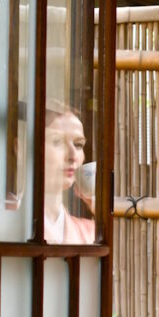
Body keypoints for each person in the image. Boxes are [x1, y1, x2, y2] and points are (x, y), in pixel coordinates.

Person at [43, 100, 95, 244]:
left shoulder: (90, 233)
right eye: (57, 141)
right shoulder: (8, 222)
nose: (72, 156)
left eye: (78, 145)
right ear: (22, 149)